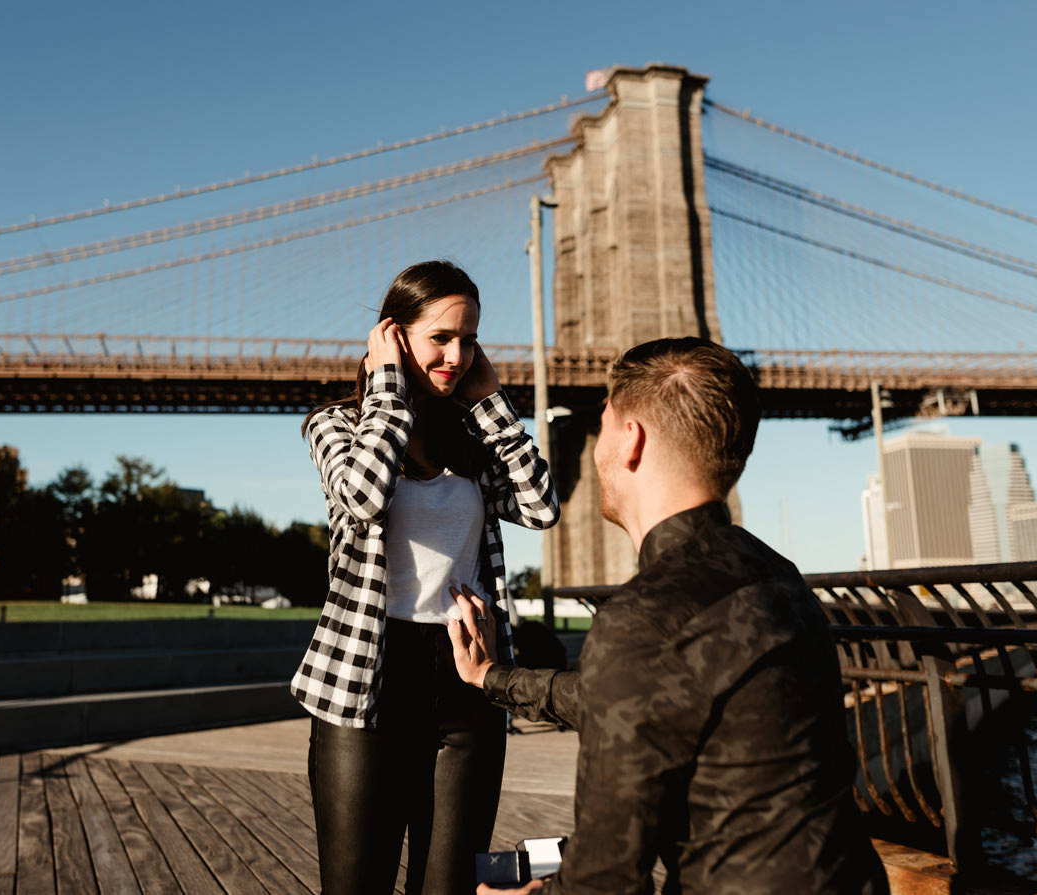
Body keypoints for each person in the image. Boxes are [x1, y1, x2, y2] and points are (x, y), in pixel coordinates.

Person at [447, 337, 888, 894]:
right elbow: (630, 698)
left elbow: (606, 881)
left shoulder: (644, 617)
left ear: (631, 440)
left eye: (604, 422)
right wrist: (494, 678)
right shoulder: (778, 573)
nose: (597, 443)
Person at [291, 260, 560, 895]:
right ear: (394, 335)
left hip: (466, 676)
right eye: (440, 337)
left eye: (469, 339)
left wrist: (492, 403)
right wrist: (387, 389)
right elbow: (360, 497)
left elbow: (542, 508)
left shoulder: (473, 436)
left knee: (450, 888)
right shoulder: (337, 425)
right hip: (367, 680)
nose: (458, 355)